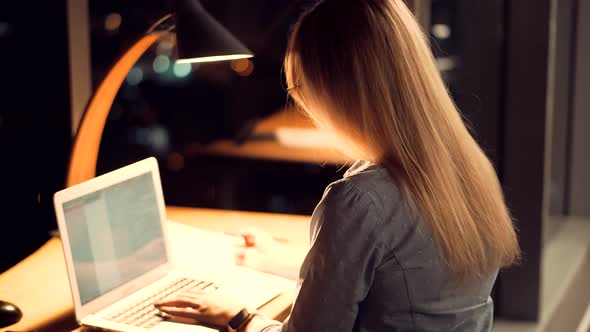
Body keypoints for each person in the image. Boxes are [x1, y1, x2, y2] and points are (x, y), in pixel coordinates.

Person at [155, 0, 521, 330]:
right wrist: (293, 262)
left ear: (335, 93)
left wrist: (238, 316)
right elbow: (405, 275)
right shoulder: (467, 166)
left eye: (303, 91)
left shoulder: (360, 201)